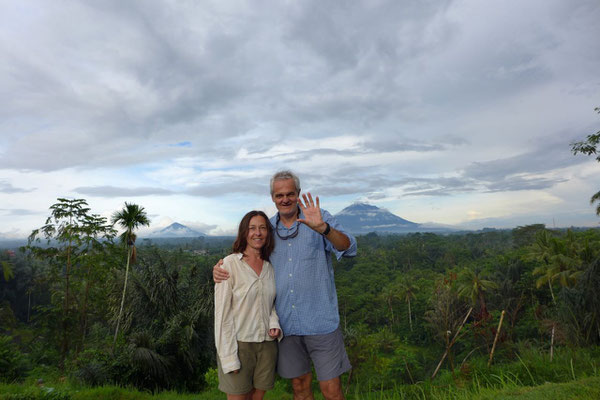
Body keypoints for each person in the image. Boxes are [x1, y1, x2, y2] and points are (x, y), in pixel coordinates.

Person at [214, 171, 357, 400]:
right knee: (300, 387)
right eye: (279, 195)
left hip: (321, 322)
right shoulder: (268, 230)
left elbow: (349, 248)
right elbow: (249, 261)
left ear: (298, 194)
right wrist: (222, 268)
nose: (285, 199)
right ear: (272, 197)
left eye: (290, 193)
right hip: (286, 327)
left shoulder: (319, 218)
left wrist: (324, 229)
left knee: (332, 390)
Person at [214, 210, 282, 400]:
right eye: (252, 228)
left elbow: (271, 303)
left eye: (262, 228)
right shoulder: (229, 265)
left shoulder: (270, 266)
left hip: (267, 346)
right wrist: (228, 358)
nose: (257, 233)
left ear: (268, 233)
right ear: (244, 232)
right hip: (239, 345)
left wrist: (273, 322)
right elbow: (222, 315)